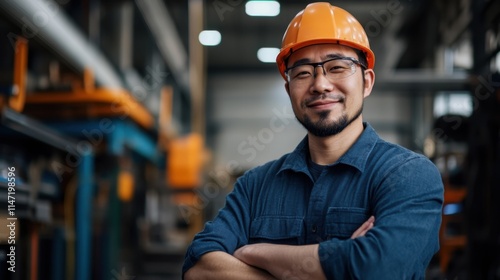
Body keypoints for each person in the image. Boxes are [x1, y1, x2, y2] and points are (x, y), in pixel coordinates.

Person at [182, 2, 444, 279]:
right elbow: (199, 269)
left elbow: (380, 268)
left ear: (367, 82)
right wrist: (341, 264)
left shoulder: (408, 175)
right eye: (303, 72)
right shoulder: (254, 187)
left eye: (338, 67)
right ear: (288, 89)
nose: (320, 84)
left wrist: (255, 253)